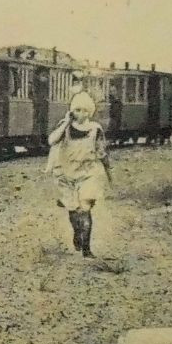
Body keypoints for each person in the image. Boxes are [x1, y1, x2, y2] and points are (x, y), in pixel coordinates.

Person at [47, 90, 112, 257]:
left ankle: (87, 249)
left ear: (89, 112)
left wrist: (108, 170)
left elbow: (101, 151)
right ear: (72, 111)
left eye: (84, 110)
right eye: (77, 110)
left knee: (85, 208)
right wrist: (65, 123)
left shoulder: (95, 129)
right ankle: (77, 233)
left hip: (87, 172)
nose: (80, 114)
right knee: (73, 210)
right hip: (65, 174)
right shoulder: (65, 127)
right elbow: (52, 140)